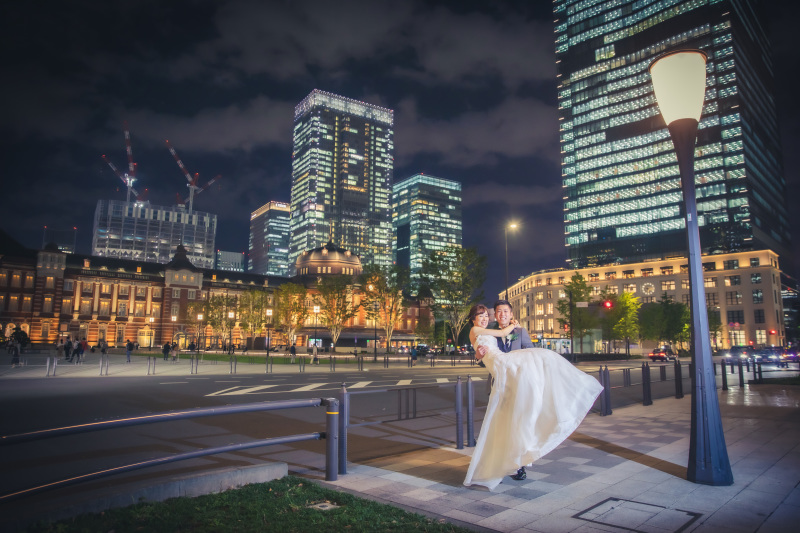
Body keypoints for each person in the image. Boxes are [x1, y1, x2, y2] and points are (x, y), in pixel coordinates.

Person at [463, 304, 603, 491]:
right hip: (503, 380)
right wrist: (478, 356)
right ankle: (498, 465)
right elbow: (486, 350)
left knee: (522, 422)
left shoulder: (520, 332)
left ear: (511, 313)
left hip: (521, 381)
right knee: (502, 426)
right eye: (496, 312)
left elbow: (528, 350)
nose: (499, 314)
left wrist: (516, 330)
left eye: (505, 311)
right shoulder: (491, 330)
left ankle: (516, 463)